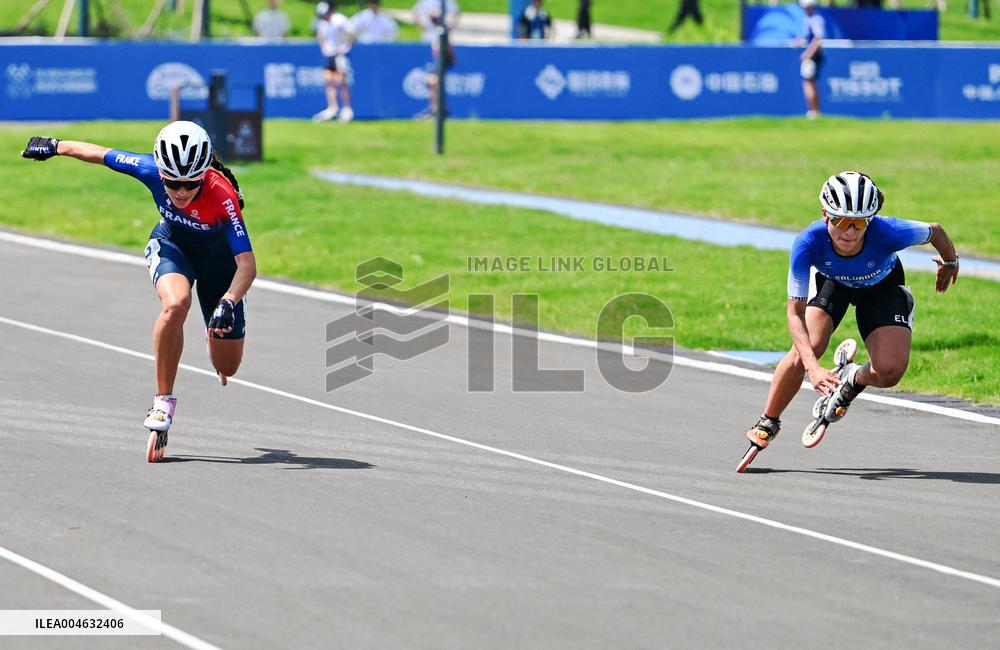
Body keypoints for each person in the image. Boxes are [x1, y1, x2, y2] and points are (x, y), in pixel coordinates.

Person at [20, 122, 257, 449]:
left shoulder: (222, 195)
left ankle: (214, 324)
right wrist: (55, 145)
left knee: (226, 366)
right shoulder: (148, 168)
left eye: (191, 183)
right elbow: (100, 154)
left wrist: (229, 301)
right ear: (161, 173)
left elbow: (247, 263)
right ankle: (163, 403)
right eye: (173, 183)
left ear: (203, 174)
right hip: (173, 246)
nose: (182, 192)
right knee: (175, 304)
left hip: (220, 263)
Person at [745, 171, 959, 452]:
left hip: (882, 286)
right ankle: (768, 421)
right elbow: (794, 314)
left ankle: (852, 380)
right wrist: (813, 368)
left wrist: (950, 262)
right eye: (840, 221)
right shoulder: (807, 243)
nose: (849, 232)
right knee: (808, 348)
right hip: (833, 284)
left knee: (890, 372)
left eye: (858, 224)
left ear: (870, 220)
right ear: (825, 215)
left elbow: (936, 231)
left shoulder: (889, 232)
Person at [412, 0, 460, 119]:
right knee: (433, 81)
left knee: (433, 81)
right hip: (439, 57)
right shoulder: (437, 30)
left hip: (442, 58)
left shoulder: (442, 30)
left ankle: (437, 109)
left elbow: (446, 47)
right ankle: (437, 108)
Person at [313, 1, 356, 124]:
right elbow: (321, 36)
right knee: (328, 80)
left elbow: (352, 32)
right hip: (330, 54)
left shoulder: (339, 19)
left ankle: (347, 109)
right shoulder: (322, 24)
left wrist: (346, 46)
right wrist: (325, 48)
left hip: (341, 54)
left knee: (341, 80)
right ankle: (333, 108)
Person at [796, 0, 825, 119]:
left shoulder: (816, 19)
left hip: (813, 57)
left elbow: (818, 39)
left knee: (808, 82)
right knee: (809, 82)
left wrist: (808, 53)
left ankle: (814, 110)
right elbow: (808, 36)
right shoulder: (808, 19)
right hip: (812, 56)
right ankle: (815, 110)